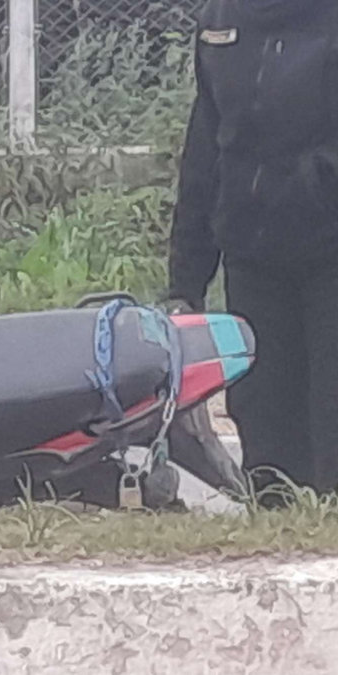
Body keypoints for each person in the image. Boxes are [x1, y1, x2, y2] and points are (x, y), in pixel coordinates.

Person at [168, 0, 338, 496]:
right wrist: (186, 280)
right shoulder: (221, 20)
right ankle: (275, 520)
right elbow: (205, 149)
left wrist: (316, 182)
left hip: (331, 248)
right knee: (262, 406)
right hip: (251, 249)